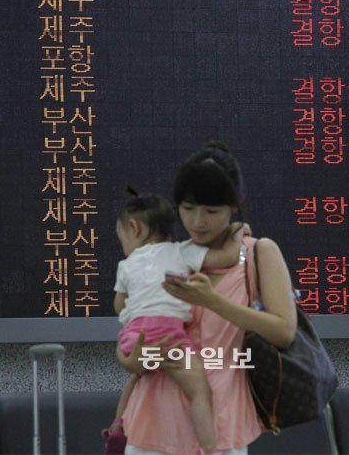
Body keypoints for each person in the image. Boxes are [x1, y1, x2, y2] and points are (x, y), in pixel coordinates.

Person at [116, 142, 298, 455]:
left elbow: (284, 331)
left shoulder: (258, 252)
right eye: (187, 209)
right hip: (152, 422)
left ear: (235, 205)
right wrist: (131, 359)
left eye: (211, 211)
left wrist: (213, 301)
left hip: (219, 422)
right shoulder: (164, 255)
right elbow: (132, 330)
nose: (198, 221)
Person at [104, 188, 245, 455]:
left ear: (134, 228)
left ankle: (117, 429)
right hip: (170, 337)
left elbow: (119, 305)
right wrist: (238, 232)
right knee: (199, 391)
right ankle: (209, 448)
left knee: (136, 378)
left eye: (120, 235)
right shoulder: (182, 252)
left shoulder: (126, 265)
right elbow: (227, 257)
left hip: (135, 338)